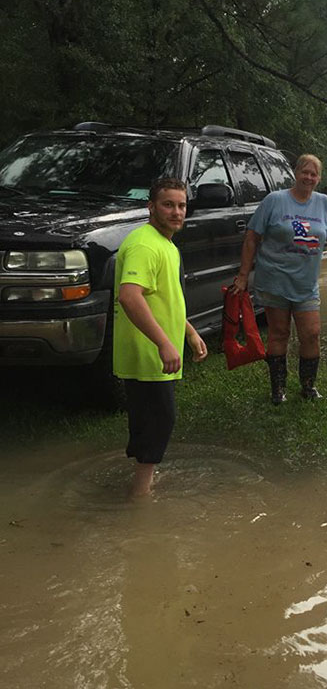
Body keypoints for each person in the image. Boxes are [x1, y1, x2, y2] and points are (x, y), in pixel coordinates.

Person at [233, 154, 327, 404]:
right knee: (279, 333)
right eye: (304, 172)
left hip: (306, 285)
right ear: (295, 173)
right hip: (275, 280)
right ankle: (278, 390)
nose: (308, 177)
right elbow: (252, 237)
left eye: (314, 174)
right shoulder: (274, 201)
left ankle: (308, 387)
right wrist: (243, 276)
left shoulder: (324, 204)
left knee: (311, 333)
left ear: (319, 178)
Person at [113, 178, 208, 497]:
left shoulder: (166, 244)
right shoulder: (144, 244)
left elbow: (165, 298)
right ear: (151, 207)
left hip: (154, 353)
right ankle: (140, 498)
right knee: (160, 421)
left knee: (151, 421)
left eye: (181, 205)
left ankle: (142, 482)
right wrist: (164, 342)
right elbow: (130, 296)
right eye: (168, 204)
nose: (177, 212)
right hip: (147, 353)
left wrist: (189, 333)